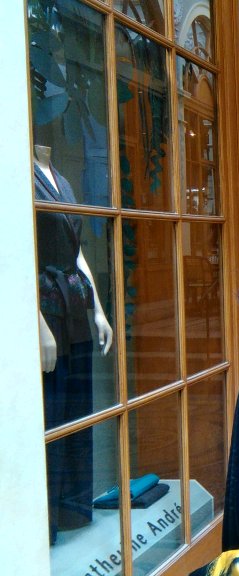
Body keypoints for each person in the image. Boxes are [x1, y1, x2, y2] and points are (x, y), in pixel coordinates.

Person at [34, 144, 113, 544]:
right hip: (47, 306)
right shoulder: (22, 175)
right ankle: (45, 521)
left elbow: (76, 251)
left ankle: (74, 509)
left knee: (78, 411)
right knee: (51, 413)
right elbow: (16, 254)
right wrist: (37, 324)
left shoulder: (62, 180)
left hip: (75, 305)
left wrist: (98, 309)